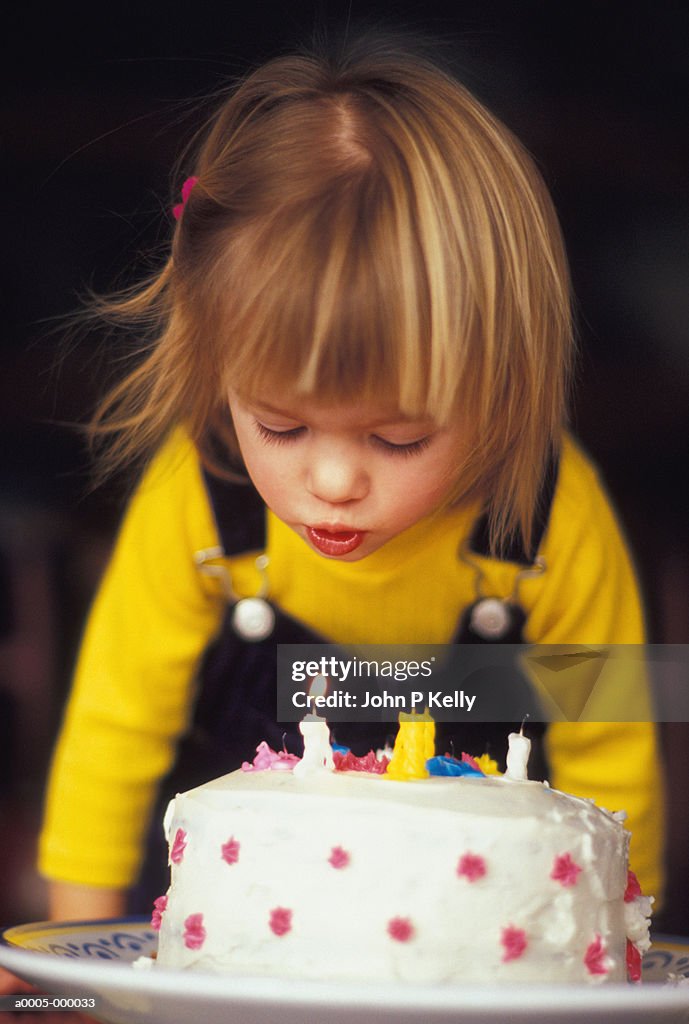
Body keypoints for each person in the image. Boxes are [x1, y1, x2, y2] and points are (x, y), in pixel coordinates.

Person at [36, 30, 663, 926]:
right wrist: (75, 963)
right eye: (280, 425)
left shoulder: (550, 515)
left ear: (503, 387)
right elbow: (113, 728)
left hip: (478, 946)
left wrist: (608, 949)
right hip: (235, 940)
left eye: (399, 438)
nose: (331, 481)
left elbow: (614, 763)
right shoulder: (199, 501)